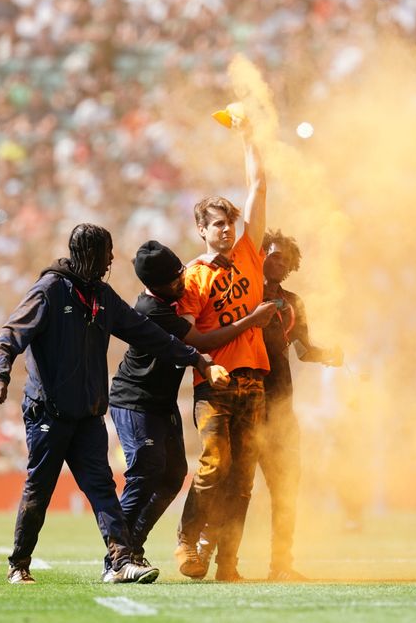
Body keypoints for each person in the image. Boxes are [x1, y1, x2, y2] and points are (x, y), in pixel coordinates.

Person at [0, 223, 229, 585]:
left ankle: (120, 560)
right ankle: (19, 564)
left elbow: (147, 333)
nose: (111, 260)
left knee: (103, 489)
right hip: (48, 414)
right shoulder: (49, 291)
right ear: (87, 255)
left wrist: (194, 357)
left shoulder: (101, 295)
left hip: (88, 414)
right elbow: (10, 334)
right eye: (105, 254)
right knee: (40, 489)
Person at [107, 240, 276, 572]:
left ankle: (133, 547)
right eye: (173, 281)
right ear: (153, 286)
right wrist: (250, 321)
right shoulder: (151, 310)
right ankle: (116, 557)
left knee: (173, 477)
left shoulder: (171, 297)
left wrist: (205, 259)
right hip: (135, 400)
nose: (181, 282)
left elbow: (189, 281)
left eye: (181, 274)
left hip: (161, 402)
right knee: (147, 472)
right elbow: (198, 342)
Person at [198, 229, 341, 580]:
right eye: (272, 255)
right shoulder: (243, 294)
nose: (277, 262)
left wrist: (329, 354)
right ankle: (224, 565)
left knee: (286, 487)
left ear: (291, 267)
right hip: (245, 403)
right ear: (259, 256)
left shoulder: (294, 303)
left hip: (281, 409)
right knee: (237, 489)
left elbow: (303, 350)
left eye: (285, 259)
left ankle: (281, 565)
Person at [173, 106, 270, 582]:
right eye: (216, 224)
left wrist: (249, 137)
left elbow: (259, 187)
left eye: (229, 221)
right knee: (214, 467)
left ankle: (227, 563)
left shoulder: (250, 253)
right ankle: (188, 542)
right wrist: (249, 321)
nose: (226, 229)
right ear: (201, 230)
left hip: (254, 381)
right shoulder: (193, 275)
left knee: (243, 482)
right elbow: (189, 336)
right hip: (214, 382)